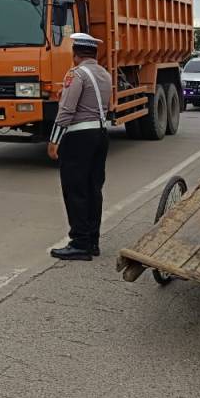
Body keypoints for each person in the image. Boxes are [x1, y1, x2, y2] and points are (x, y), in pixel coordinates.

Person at [48, 33, 113, 261]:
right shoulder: (104, 74)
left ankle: (79, 243)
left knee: (75, 190)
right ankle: (92, 241)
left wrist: (54, 140)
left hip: (79, 138)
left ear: (75, 55)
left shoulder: (76, 74)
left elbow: (66, 111)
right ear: (94, 53)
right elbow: (106, 105)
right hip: (101, 134)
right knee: (93, 189)